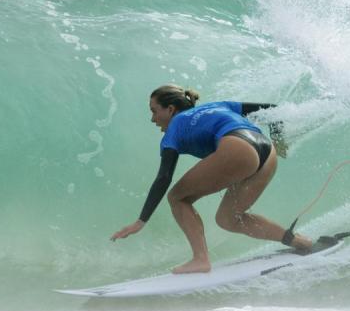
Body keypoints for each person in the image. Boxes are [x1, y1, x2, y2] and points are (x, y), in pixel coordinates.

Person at [110, 84, 314, 274]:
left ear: (170, 109)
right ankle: (298, 242)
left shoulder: (173, 130)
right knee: (228, 219)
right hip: (266, 151)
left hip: (238, 148)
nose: (152, 119)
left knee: (177, 198)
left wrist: (140, 221)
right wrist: (281, 144)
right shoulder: (219, 105)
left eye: (154, 111)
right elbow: (272, 110)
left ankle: (200, 259)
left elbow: (164, 177)